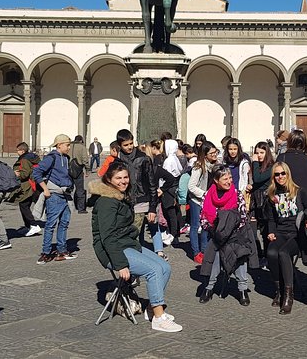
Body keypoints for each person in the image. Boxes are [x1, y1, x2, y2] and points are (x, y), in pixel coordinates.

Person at [90, 162, 182, 332]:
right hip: (111, 251)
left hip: (127, 243)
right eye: (118, 178)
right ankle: (159, 318)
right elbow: (107, 237)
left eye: (125, 177)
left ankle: (151, 309)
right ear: (109, 180)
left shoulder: (121, 196)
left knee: (165, 267)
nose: (123, 181)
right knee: (154, 270)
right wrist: (120, 264)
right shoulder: (106, 202)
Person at [199, 165, 258, 306]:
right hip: (216, 235)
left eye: (230, 177)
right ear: (216, 180)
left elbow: (243, 217)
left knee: (238, 251)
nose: (229, 181)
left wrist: (228, 231)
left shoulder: (237, 194)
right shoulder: (207, 196)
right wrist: (214, 231)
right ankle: (209, 287)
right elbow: (203, 219)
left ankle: (242, 288)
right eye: (225, 178)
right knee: (215, 252)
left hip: (235, 235)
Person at [264, 162, 307, 315]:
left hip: (296, 234)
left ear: (288, 174)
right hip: (280, 232)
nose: (280, 177)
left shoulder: (300, 191)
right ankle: (279, 290)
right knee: (271, 253)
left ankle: (288, 295)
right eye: (277, 174)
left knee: (284, 253)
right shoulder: (272, 195)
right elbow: (271, 219)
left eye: (282, 174)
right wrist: (271, 232)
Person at [33, 134, 77, 264]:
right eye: (67, 145)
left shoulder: (66, 158)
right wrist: (45, 189)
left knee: (64, 223)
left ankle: (61, 251)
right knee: (50, 225)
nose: (69, 147)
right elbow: (36, 173)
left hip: (66, 195)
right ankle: (46, 253)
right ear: (59, 145)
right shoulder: (51, 158)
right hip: (54, 196)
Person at [116, 129, 158, 247]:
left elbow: (152, 183)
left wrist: (152, 208)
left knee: (133, 234)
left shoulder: (143, 159)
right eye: (125, 145)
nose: (129, 147)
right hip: (124, 201)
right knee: (129, 233)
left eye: (131, 143)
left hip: (141, 200)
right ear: (120, 145)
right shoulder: (118, 160)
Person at [188, 141, 218, 264]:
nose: (215, 154)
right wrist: (204, 194)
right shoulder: (199, 167)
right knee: (195, 226)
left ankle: (205, 250)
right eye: (212, 153)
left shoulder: (215, 165)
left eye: (215, 152)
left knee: (207, 226)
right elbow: (191, 186)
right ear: (205, 155)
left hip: (209, 201)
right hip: (197, 200)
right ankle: (196, 252)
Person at [276, 129, 307, 202]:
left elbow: (275, 178)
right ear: (304, 143)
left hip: (286, 199)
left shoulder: (281, 158)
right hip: (304, 200)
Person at [250, 141, 274, 263]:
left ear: (267, 153)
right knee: (255, 231)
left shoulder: (271, 166)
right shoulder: (258, 166)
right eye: (257, 153)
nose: (259, 155)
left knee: (266, 230)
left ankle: (268, 256)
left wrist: (253, 162)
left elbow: (258, 178)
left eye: (262, 152)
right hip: (256, 201)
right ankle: (260, 255)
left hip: (265, 201)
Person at [12, 142, 42, 237]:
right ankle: (28, 226)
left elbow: (25, 173)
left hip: (28, 185)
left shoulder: (24, 159)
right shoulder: (31, 157)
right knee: (24, 205)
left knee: (24, 205)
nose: (17, 152)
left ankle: (33, 225)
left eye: (17, 150)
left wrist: (17, 174)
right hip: (33, 184)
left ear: (22, 151)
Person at [70, 135, 90, 214]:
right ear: (81, 140)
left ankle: (68, 206)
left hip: (68, 169)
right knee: (80, 189)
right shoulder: (82, 147)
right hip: (78, 170)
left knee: (67, 189)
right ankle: (81, 208)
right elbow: (85, 159)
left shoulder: (69, 146)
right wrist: (87, 169)